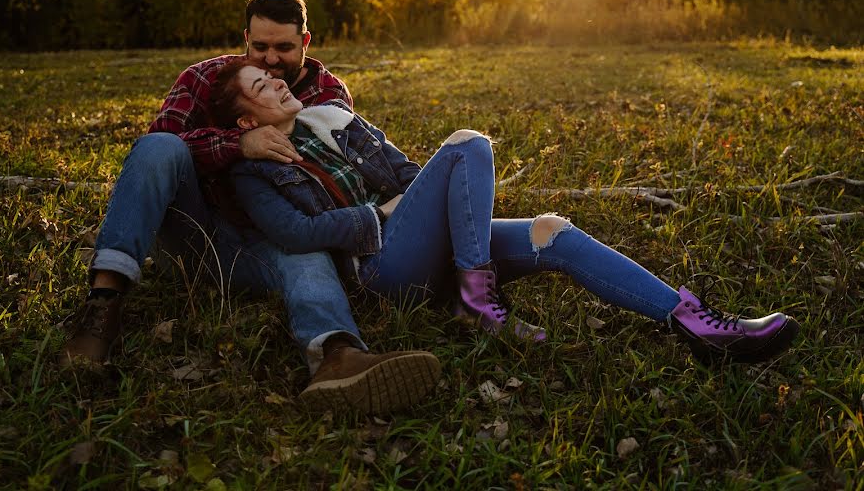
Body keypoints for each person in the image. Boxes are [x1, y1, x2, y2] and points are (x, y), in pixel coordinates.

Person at [210, 59, 801, 365]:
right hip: (382, 266)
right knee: (468, 141)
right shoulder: (253, 169)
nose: (278, 83)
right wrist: (384, 216)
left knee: (552, 231)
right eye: (260, 87)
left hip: (428, 240)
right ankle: (476, 296)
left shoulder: (338, 120)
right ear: (244, 121)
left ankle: (694, 324)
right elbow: (294, 232)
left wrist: (413, 203)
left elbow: (415, 179)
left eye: (273, 76)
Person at [61, 0, 441, 415]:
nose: (270, 60)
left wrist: (400, 208)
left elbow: (345, 175)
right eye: (259, 47)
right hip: (198, 230)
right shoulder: (205, 79)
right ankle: (103, 305)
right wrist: (239, 142)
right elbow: (159, 146)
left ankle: (337, 355)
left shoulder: (327, 93)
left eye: (283, 48)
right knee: (160, 148)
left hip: (274, 240)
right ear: (245, 37)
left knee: (303, 249)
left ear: (305, 42)